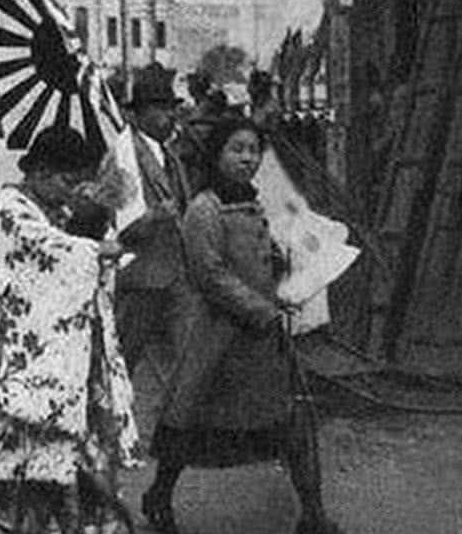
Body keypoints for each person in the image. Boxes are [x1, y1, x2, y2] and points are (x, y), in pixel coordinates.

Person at [142, 112, 345, 534]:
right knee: (189, 425)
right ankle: (159, 496)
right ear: (217, 155)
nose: (247, 158)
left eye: (254, 150)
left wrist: (287, 267)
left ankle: (313, 515)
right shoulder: (204, 209)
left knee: (295, 422)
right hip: (219, 340)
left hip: (264, 343)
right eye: (237, 149)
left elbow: (260, 257)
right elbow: (209, 275)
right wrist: (261, 310)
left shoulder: (256, 202)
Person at [0, 125, 139, 534]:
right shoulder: (13, 210)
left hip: (61, 346)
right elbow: (47, 249)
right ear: (41, 172)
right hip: (27, 344)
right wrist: (97, 251)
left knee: (66, 443)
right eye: (67, 180)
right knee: (22, 438)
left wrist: (99, 211)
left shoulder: (53, 209)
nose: (72, 190)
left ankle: (69, 522)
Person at [114, 64, 193, 375]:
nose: (170, 116)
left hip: (174, 273)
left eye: (171, 108)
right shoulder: (123, 155)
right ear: (137, 115)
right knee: (125, 358)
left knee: (187, 360)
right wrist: (155, 216)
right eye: (159, 109)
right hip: (141, 278)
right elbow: (119, 226)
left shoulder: (167, 153)